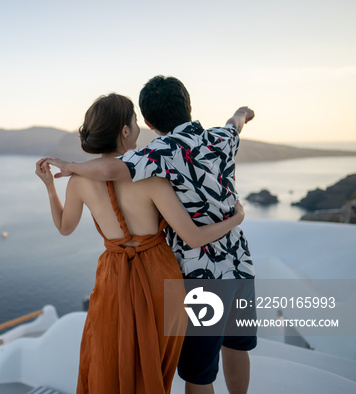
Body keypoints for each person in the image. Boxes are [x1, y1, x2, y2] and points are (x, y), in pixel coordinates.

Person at [44, 76, 257, 394]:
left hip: (196, 275)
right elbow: (235, 123)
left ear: (147, 121)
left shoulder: (156, 156)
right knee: (237, 346)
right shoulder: (222, 138)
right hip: (239, 264)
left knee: (199, 374)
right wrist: (243, 113)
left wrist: (68, 169)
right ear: (187, 105)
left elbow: (109, 170)